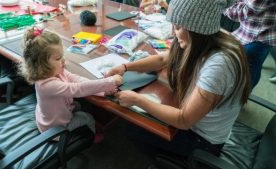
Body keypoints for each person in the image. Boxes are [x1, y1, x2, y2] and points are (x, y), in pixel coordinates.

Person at [105, 0, 251, 162]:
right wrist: (125, 67)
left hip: (204, 140)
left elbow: (183, 120)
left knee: (134, 129)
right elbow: (162, 59)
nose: (174, 32)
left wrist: (138, 100)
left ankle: (169, 160)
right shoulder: (212, 35)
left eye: (179, 27)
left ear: (197, 29)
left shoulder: (219, 65)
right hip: (197, 120)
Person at [19, 27, 122, 137]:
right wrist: (109, 81)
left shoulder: (54, 71)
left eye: (62, 55)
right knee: (87, 117)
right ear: (42, 64)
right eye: (58, 58)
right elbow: (78, 89)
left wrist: (103, 91)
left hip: (53, 115)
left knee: (77, 104)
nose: (63, 59)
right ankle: (92, 138)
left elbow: (76, 79)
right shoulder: (46, 85)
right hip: (54, 129)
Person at [224, 0, 276, 88]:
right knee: (254, 65)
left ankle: (242, 96)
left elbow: (244, 11)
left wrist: (222, 5)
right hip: (264, 33)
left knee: (248, 72)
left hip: (256, 37)